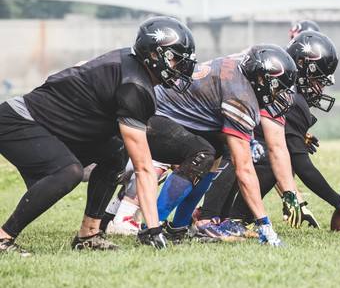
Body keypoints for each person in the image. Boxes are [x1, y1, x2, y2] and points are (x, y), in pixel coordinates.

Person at [0, 16, 197, 255]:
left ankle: (89, 234)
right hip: (20, 121)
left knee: (115, 152)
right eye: (175, 59)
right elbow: (143, 167)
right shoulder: (134, 86)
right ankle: (3, 237)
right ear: (155, 55)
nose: (181, 67)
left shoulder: (131, 65)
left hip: (49, 124)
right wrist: (153, 229)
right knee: (68, 171)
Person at [197, 30, 340, 234]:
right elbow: (301, 164)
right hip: (201, 116)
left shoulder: (273, 71)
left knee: (254, 152)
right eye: (318, 81)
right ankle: (215, 218)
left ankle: (219, 216)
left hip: (205, 112)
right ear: (305, 67)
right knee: (255, 154)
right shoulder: (288, 94)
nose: (320, 89)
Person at [138, 44, 298, 246]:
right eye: (277, 87)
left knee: (215, 152)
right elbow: (244, 170)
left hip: (169, 113)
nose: (278, 95)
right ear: (260, 78)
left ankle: (178, 227)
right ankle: (151, 226)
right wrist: (264, 224)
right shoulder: (241, 95)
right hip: (151, 116)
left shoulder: (242, 64)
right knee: (202, 154)